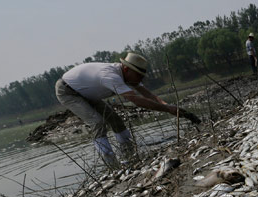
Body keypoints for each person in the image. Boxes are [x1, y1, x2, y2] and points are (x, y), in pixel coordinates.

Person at [55, 53, 200, 169]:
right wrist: (167, 109)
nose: (140, 79)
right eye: (138, 75)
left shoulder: (130, 76)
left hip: (87, 92)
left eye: (141, 76)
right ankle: (111, 164)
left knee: (115, 119)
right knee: (98, 122)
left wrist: (168, 105)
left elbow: (148, 95)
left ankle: (129, 153)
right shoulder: (111, 76)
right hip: (68, 91)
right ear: (126, 69)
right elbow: (136, 100)